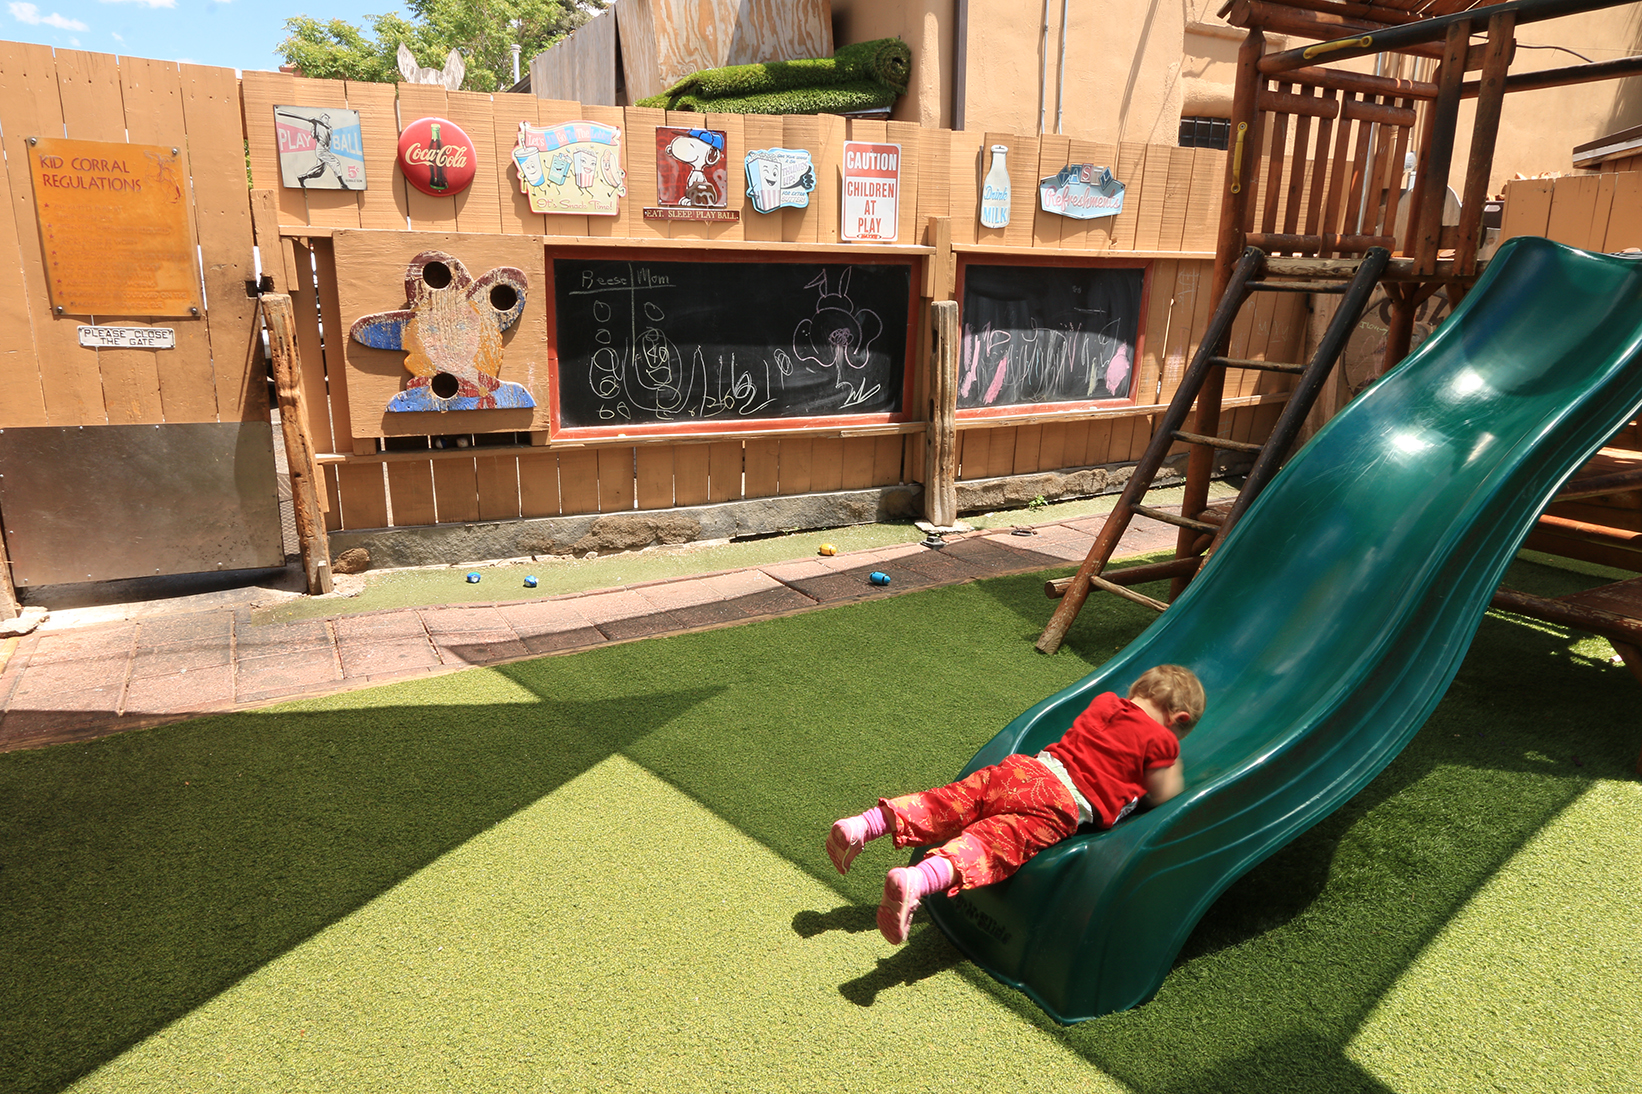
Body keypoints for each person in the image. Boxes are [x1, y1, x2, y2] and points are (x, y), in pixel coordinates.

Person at [827, 664, 1205, 945]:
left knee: (952, 800)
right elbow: (1163, 794)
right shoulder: (1162, 741)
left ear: (1136, 690)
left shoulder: (1105, 702)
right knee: (993, 843)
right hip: (1057, 804)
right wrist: (1173, 765)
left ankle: (864, 824)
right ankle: (918, 880)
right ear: (1179, 720)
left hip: (1025, 770)